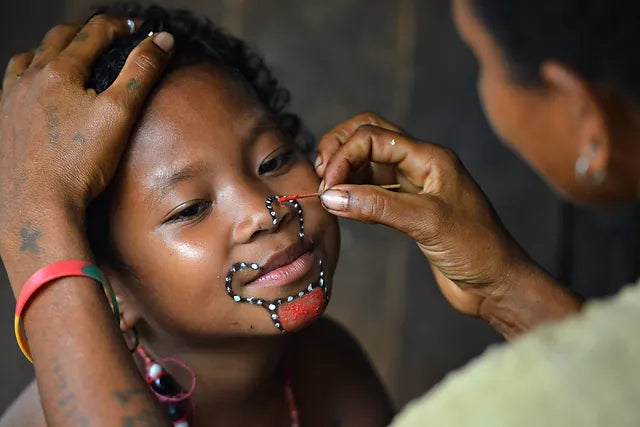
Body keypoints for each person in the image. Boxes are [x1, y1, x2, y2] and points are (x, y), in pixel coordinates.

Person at [0, 4, 392, 426]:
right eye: (191, 208)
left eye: (274, 161)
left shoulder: (329, 366)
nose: (264, 212)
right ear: (113, 292)